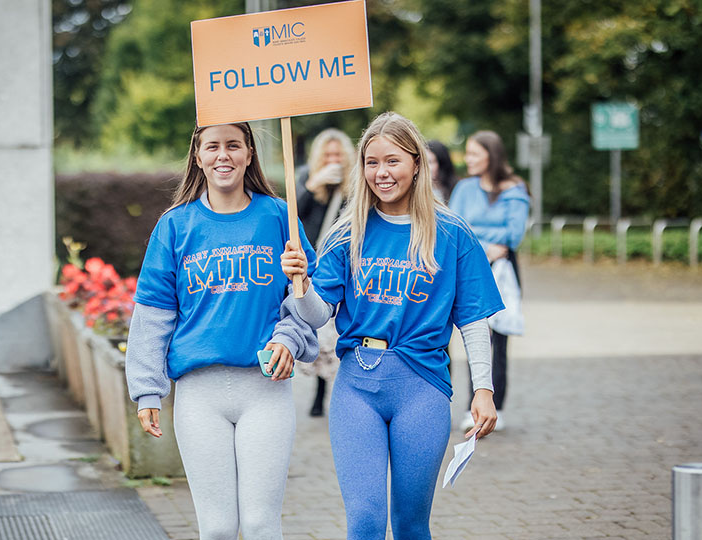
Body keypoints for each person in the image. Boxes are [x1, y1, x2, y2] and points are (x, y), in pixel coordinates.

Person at [281, 112, 504, 539]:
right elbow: (315, 315)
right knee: (364, 521)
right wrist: (300, 285)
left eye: (392, 161)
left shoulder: (453, 233)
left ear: (416, 163)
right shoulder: (349, 232)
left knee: (409, 524)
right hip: (356, 388)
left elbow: (473, 320)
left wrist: (484, 389)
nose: (381, 173)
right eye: (371, 162)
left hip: (422, 387)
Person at [125, 122, 318, 540]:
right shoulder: (175, 225)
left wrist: (288, 338)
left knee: (260, 523)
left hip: (264, 389)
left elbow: (307, 304)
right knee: (216, 528)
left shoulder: (278, 217)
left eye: (234, 145)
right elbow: (154, 314)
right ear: (198, 156)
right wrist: (147, 388)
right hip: (199, 394)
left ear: (250, 153)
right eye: (212, 146)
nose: (223, 155)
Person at [448, 130, 531, 432]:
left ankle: (497, 404)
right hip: (472, 267)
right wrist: (484, 245)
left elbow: (514, 234)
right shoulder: (464, 189)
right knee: (475, 332)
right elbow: (455, 227)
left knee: (500, 339)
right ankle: (473, 401)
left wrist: (479, 238)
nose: (467, 159)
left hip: (504, 271)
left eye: (473, 153)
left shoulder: (515, 190)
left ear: (491, 156)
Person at [295, 128, 356, 416]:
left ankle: (339, 391)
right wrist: (312, 184)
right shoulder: (306, 179)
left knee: (337, 330)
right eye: (328, 155)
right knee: (318, 332)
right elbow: (292, 217)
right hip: (312, 267)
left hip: (343, 268)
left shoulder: (354, 187)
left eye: (338, 155)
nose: (333, 160)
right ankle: (319, 395)